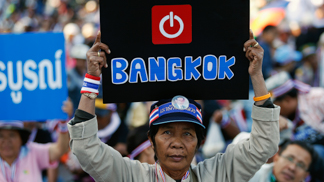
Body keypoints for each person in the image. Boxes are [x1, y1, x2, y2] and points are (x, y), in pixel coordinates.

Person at [67, 30, 280, 181]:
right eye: (167, 132)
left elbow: (265, 144)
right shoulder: (131, 176)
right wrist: (92, 78)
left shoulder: (216, 175)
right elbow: (85, 148)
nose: (177, 143)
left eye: (188, 134)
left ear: (200, 142)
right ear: (151, 140)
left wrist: (257, 76)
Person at [266, 71, 324, 161]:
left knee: (318, 152)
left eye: (274, 106)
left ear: (287, 100)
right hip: (308, 165)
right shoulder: (282, 120)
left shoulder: (318, 97)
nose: (273, 111)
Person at [0, 119, 70, 182]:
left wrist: (63, 124)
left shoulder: (33, 151)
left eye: (11, 135)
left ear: (21, 138)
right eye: (1, 136)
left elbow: (60, 149)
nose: (6, 141)